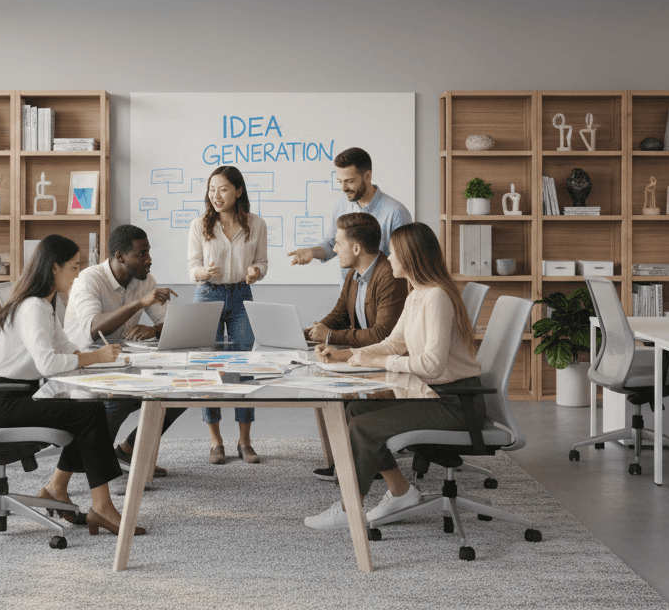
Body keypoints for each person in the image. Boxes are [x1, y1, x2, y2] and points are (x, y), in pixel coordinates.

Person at [303, 222, 484, 530]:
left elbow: (432, 365)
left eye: (394, 252)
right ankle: (401, 492)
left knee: (363, 427)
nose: (389, 258)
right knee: (354, 410)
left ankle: (350, 508)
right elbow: (392, 344)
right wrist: (345, 354)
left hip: (455, 403)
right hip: (432, 396)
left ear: (411, 257)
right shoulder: (416, 295)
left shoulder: (436, 298)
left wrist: (387, 363)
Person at [0, 234, 143, 536]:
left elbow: (65, 347)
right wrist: (94, 357)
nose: (78, 274)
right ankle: (101, 508)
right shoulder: (32, 308)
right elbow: (48, 364)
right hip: (1, 401)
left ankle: (62, 492)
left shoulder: (47, 304)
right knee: (90, 413)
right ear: (54, 268)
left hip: (20, 394)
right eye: (74, 267)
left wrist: (105, 361)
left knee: (87, 411)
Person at [64, 224, 185, 478]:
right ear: (120, 257)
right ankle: (97, 461)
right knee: (120, 396)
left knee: (182, 392)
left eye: (148, 252)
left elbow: (167, 324)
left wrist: (155, 330)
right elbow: (92, 328)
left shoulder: (143, 279)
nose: (149, 260)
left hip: (123, 365)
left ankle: (129, 449)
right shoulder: (89, 279)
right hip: (86, 366)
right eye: (141, 254)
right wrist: (139, 303)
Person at [305, 212, 410, 482]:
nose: (334, 249)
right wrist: (313, 333)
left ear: (356, 248)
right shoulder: (354, 274)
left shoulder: (389, 275)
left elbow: (382, 334)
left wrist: (332, 337)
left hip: (388, 362)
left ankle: (357, 461)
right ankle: (346, 460)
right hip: (366, 357)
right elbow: (339, 314)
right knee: (326, 378)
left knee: (334, 388)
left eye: (337, 243)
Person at [187, 165, 268, 465]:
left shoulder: (256, 224)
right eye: (211, 190)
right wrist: (202, 272)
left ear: (238, 190)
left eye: (222, 189)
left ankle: (245, 441)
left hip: (240, 296)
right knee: (210, 368)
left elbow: (262, 262)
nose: (216, 196)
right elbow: (191, 266)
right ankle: (215, 441)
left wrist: (255, 271)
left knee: (243, 367)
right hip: (208, 294)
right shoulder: (200, 225)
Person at [287, 147, 412, 276]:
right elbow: (332, 244)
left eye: (349, 181)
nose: (343, 188)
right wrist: (312, 252)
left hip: (382, 291)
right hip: (349, 291)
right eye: (340, 182)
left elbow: (405, 262)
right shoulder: (341, 206)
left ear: (367, 176)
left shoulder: (396, 213)